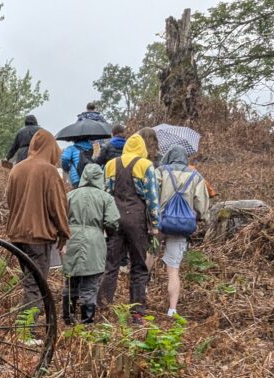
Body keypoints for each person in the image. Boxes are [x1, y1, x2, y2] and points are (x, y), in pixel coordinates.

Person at [5, 129, 71, 336]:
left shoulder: (17, 169)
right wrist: (63, 232)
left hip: (17, 236)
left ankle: (25, 325)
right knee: (36, 284)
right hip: (38, 236)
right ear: (51, 148)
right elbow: (58, 205)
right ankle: (27, 331)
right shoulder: (49, 171)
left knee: (28, 280)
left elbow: (10, 200)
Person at [98, 133, 160, 320]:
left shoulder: (110, 165)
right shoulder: (145, 165)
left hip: (114, 219)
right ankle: (137, 313)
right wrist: (155, 224)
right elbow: (152, 198)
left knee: (111, 265)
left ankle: (103, 308)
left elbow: (106, 193)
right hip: (136, 220)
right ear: (142, 149)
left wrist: (104, 220)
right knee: (139, 265)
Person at [62, 163, 119, 324]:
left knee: (70, 281)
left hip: (71, 238)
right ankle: (87, 322)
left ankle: (68, 319)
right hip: (94, 241)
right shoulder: (106, 198)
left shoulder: (71, 195)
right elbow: (112, 221)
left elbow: (61, 217)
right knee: (90, 284)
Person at [156, 145, 210, 316]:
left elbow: (151, 194)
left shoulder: (161, 171)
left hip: (160, 222)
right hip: (182, 226)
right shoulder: (196, 175)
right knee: (173, 270)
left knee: (147, 259)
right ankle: (172, 309)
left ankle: (142, 296)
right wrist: (202, 217)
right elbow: (201, 203)